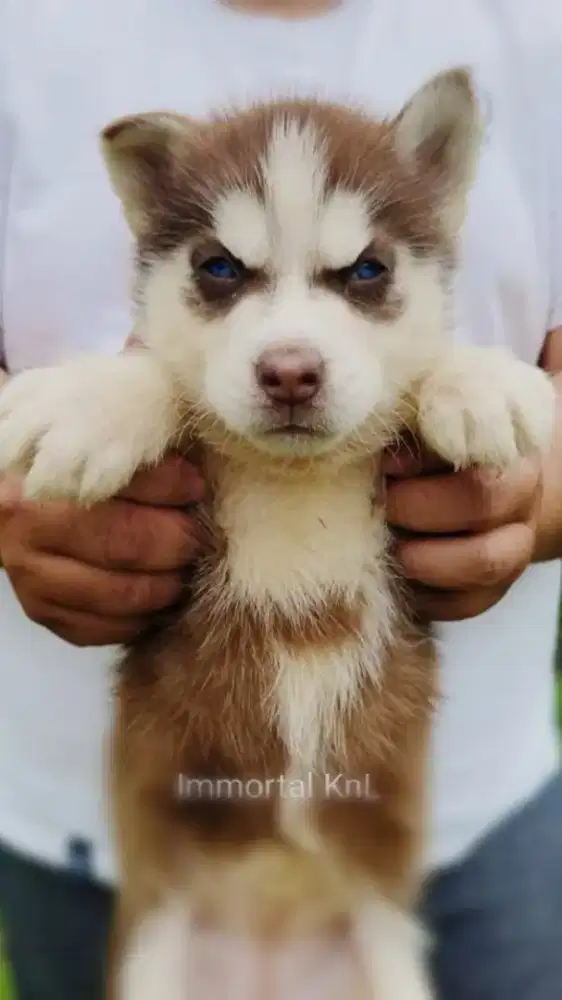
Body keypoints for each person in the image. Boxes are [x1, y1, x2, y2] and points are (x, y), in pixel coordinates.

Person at [0, 1, 561, 998]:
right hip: (120, 837)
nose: (290, 351)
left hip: (460, 820)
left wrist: (536, 481)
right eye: (223, 271)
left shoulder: (536, 31)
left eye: (363, 272)